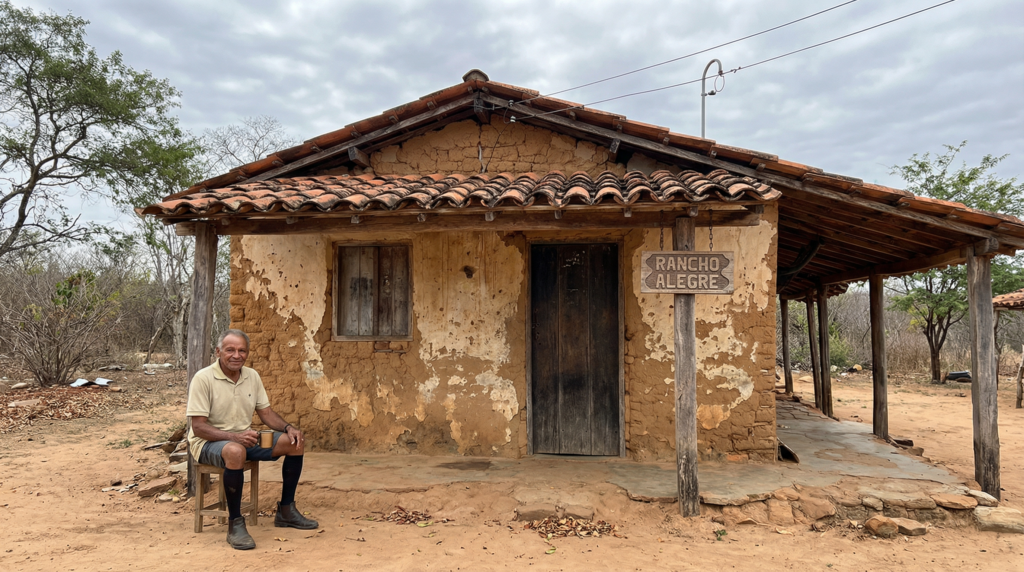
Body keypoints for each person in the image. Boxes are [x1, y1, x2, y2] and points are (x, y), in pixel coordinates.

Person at [186, 329, 318, 550]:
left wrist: (288, 428)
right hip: (209, 442)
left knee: (295, 442)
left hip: (244, 438)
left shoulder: (251, 376)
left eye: (242, 350)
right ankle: (235, 523)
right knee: (235, 451)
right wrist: (233, 437)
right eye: (230, 350)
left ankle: (286, 511)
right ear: (218, 352)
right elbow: (198, 428)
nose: (236, 355)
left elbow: (265, 413)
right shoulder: (203, 378)